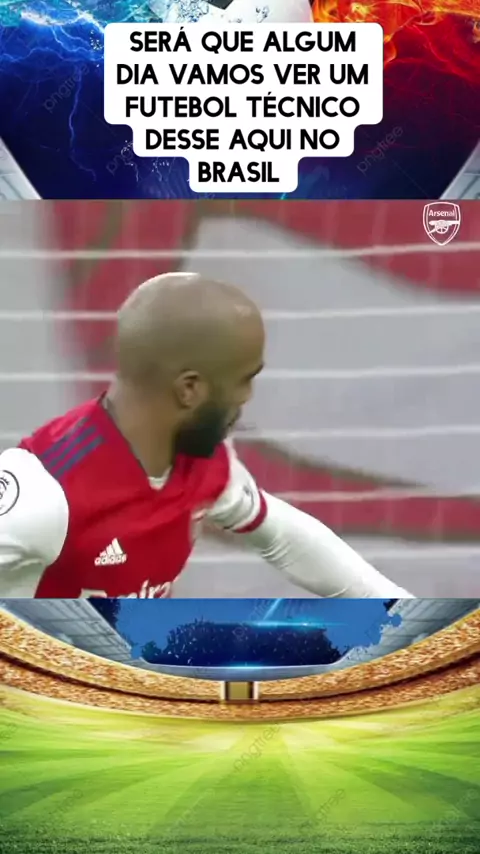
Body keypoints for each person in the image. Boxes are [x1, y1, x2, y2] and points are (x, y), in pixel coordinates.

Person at [0, 272, 413, 599]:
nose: (248, 397)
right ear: (190, 389)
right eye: (244, 379)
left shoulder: (206, 463)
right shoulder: (41, 492)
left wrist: (408, 614)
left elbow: (283, 536)